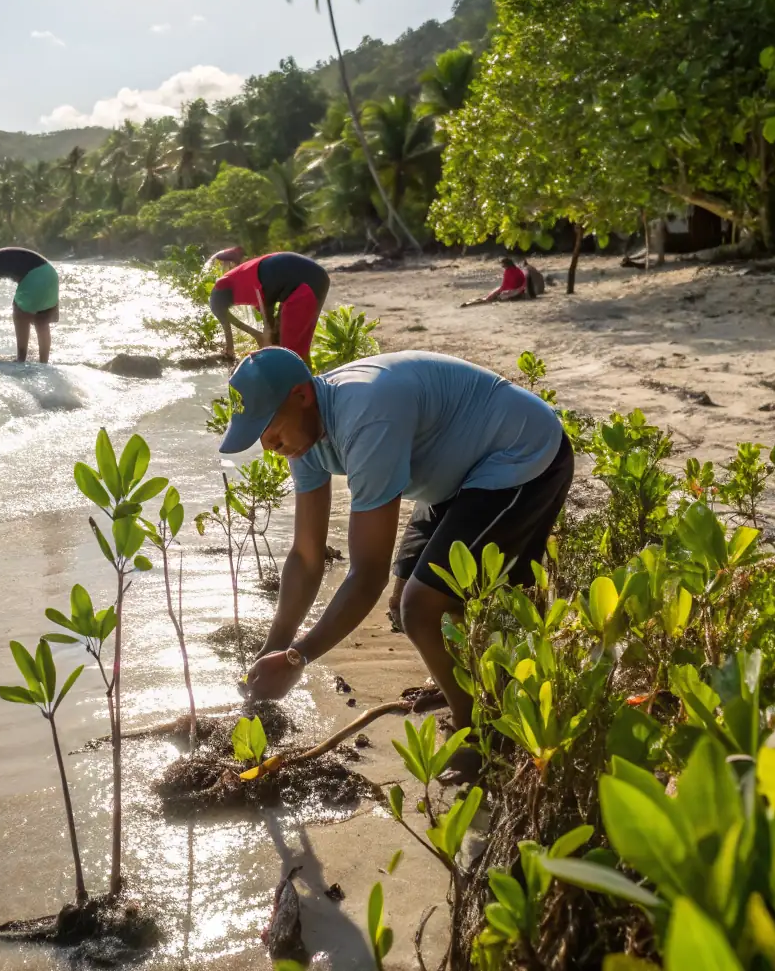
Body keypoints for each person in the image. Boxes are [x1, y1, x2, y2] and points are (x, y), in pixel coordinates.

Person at [219, 347, 573, 767]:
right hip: (453, 472)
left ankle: (478, 734)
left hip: (519, 453)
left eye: (270, 426)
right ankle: (470, 683)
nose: (269, 444)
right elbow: (307, 555)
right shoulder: (301, 438)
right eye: (258, 433)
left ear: (302, 396)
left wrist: (298, 658)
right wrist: (274, 647)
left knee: (421, 607)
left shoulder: (366, 415)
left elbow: (367, 574)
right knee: (405, 600)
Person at [209, 251, 330, 363]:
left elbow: (268, 328)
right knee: (300, 348)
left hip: (303, 285)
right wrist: (259, 335)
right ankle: (312, 381)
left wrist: (264, 339)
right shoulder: (241, 278)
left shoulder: (242, 289)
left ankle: (295, 383)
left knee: (288, 353)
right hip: (314, 277)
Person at [0, 242, 59, 363]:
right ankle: (44, 362)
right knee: (41, 321)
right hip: (51, 274)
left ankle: (21, 359)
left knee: (19, 311)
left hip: (35, 276)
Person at [460, 257, 528, 308]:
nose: (502, 267)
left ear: (506, 265)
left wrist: (499, 292)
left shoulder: (508, 271)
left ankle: (469, 304)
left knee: (488, 300)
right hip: (517, 290)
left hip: (511, 291)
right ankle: (470, 303)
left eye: (503, 265)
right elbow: (519, 282)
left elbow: (506, 285)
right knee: (488, 299)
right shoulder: (517, 270)